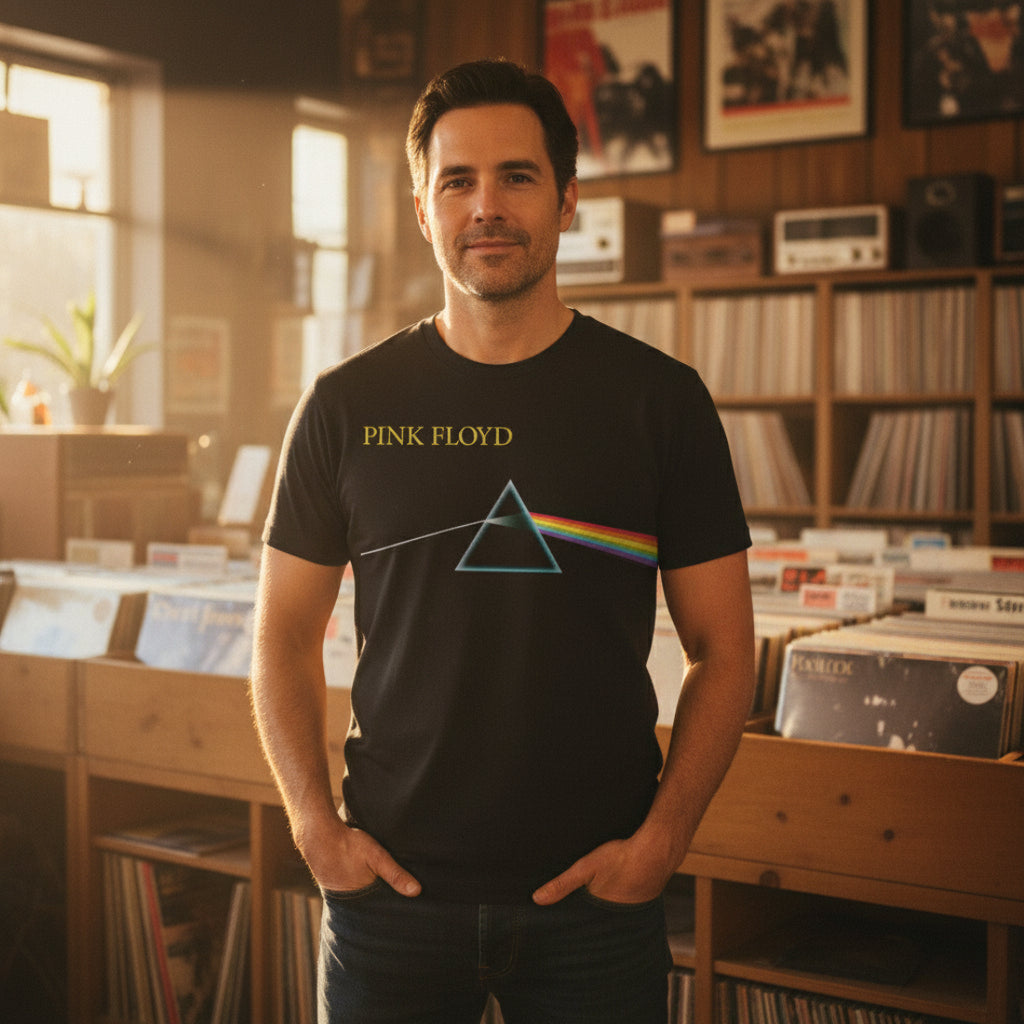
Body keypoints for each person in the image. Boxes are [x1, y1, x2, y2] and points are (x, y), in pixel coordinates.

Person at [251, 58, 756, 1024]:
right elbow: (280, 636)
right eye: (458, 181)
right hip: (389, 903)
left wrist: (661, 845)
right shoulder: (344, 407)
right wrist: (316, 831)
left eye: (517, 177)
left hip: (597, 906)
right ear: (422, 205)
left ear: (567, 201)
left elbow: (725, 651)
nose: (487, 206)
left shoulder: (661, 403)